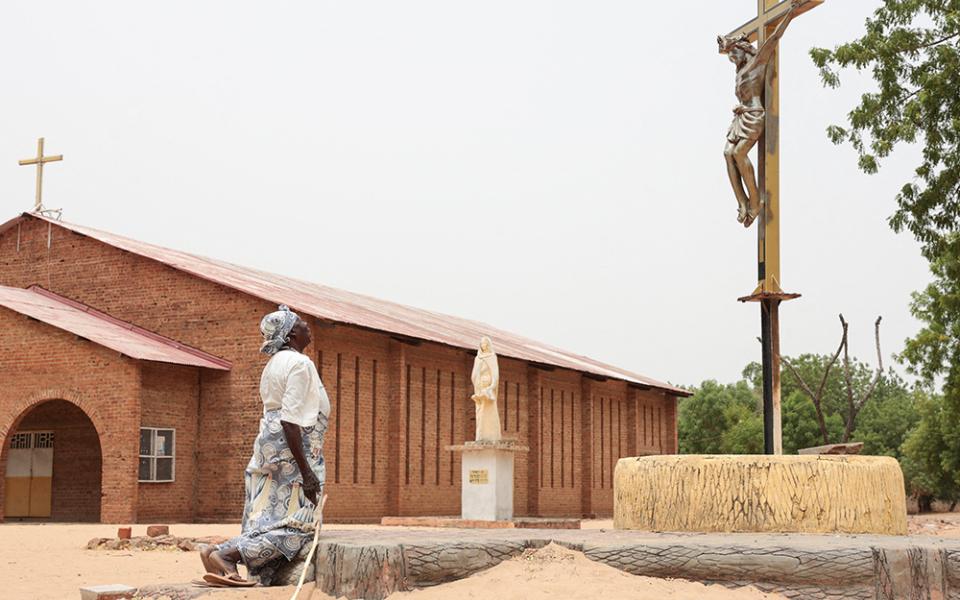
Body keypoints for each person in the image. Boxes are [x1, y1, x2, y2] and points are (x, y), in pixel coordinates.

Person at [200, 305, 330, 587]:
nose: (307, 325)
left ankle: (216, 554)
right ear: (291, 334)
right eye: (300, 323)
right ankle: (229, 554)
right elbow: (290, 420)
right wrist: (306, 472)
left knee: (267, 515)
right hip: (295, 451)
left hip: (272, 447)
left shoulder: (274, 364)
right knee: (301, 525)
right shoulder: (299, 364)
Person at [718, 0, 802, 227]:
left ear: (743, 50)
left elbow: (774, 38)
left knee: (739, 153)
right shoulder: (739, 71)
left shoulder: (757, 62)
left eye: (734, 54)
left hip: (754, 113)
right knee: (728, 153)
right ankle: (743, 202)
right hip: (741, 116)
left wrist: (790, 13)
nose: (732, 59)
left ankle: (755, 200)